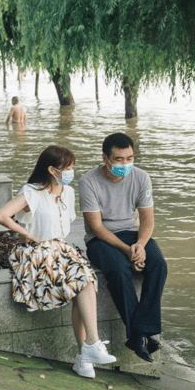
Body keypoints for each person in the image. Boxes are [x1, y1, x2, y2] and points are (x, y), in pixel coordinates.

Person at [0, 146, 117, 379]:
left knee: (86, 280)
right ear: (51, 169)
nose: (71, 172)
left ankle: (86, 352)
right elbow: (0, 215)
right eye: (67, 168)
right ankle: (90, 347)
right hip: (35, 251)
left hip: (60, 249)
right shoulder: (32, 192)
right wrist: (26, 232)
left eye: (72, 167)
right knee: (81, 279)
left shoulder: (68, 192)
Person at [78, 133, 167, 363]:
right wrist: (127, 251)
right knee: (119, 270)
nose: (125, 164)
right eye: (119, 159)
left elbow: (147, 219)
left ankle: (140, 334)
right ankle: (140, 335)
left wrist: (140, 245)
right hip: (100, 240)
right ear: (105, 158)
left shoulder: (141, 177)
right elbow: (95, 227)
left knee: (158, 265)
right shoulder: (88, 182)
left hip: (133, 233)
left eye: (129, 158)